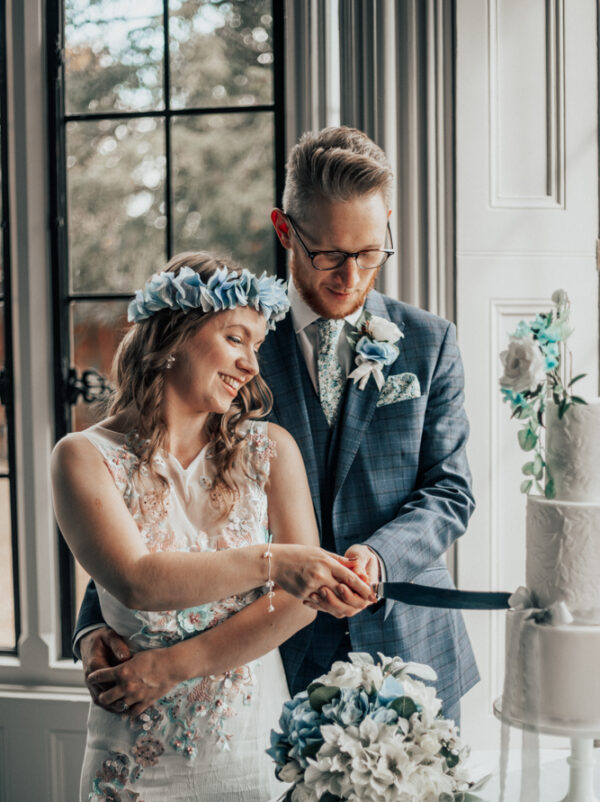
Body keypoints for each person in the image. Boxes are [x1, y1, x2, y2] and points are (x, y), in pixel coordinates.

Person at [75, 125, 479, 729]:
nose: (351, 276)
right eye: (329, 255)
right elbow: (159, 498)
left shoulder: (430, 342)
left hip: (414, 649)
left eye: (370, 252)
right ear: (284, 228)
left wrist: (376, 555)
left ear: (387, 223)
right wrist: (95, 622)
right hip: (274, 664)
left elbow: (451, 491)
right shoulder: (227, 347)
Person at [52, 251, 374, 802]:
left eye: (257, 345)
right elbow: (139, 581)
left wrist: (173, 664)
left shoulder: (270, 449)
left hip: (247, 755)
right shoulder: (82, 458)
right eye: (235, 338)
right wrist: (274, 561)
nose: (252, 363)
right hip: (138, 767)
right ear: (172, 337)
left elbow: (302, 601)